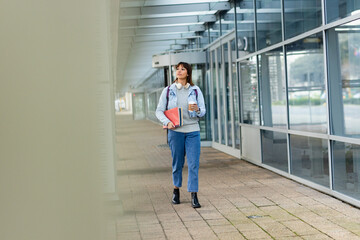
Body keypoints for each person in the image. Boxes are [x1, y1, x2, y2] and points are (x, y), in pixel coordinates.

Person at [155, 62, 206, 208]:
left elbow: (203, 110)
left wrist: (197, 110)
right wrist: (167, 122)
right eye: (177, 69)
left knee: (193, 164)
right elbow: (159, 111)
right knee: (177, 163)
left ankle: (194, 195)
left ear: (188, 73)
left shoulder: (195, 90)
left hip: (192, 131)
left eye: (182, 69)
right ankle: (176, 190)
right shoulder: (168, 90)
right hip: (175, 132)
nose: (179, 71)